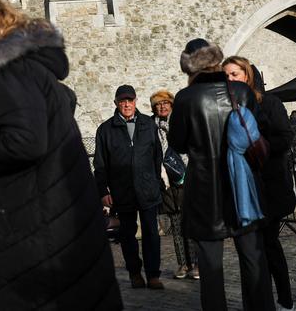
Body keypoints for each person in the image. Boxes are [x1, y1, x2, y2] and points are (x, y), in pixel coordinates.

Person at [0, 0, 121, 310]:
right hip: (34, 224)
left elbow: (25, 141)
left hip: (28, 231)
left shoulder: (9, 71)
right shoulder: (14, 70)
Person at [170, 39, 273, 311]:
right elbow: (259, 130)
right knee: (253, 258)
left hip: (205, 189)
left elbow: (178, 143)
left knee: (210, 267)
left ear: (189, 68)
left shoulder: (185, 98)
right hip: (242, 186)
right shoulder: (241, 91)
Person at [224, 57, 296, 311]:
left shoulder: (269, 103)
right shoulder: (225, 108)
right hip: (242, 189)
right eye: (226, 76)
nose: (230, 80)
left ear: (247, 76)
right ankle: (257, 303)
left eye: (234, 74)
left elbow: (286, 138)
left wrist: (258, 146)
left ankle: (285, 301)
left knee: (268, 245)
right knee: (251, 252)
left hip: (269, 185)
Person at [94, 84, 165, 290]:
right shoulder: (105, 130)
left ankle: (153, 274)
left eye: (130, 100)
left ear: (135, 101)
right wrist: (103, 191)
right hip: (121, 191)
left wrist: (154, 181)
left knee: (152, 233)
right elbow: (100, 164)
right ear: (116, 103)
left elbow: (157, 155)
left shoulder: (147, 124)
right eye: (122, 101)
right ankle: (135, 273)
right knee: (127, 235)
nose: (126, 104)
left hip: (147, 189)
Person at [151, 89, 199, 281]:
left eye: (165, 103)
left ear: (172, 105)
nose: (162, 107)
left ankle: (196, 263)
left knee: (191, 223)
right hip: (167, 182)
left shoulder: (181, 122)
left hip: (187, 178)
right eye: (158, 104)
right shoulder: (152, 127)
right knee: (177, 226)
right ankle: (183, 263)